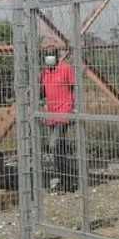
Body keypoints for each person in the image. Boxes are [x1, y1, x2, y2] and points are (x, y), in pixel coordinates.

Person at [40, 51, 78, 193]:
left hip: (64, 112)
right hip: (51, 114)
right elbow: (42, 91)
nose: (48, 58)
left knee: (54, 145)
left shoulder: (66, 68)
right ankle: (66, 179)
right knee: (58, 150)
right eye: (46, 55)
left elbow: (74, 88)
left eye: (51, 55)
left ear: (56, 56)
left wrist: (73, 108)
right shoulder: (45, 72)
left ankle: (67, 178)